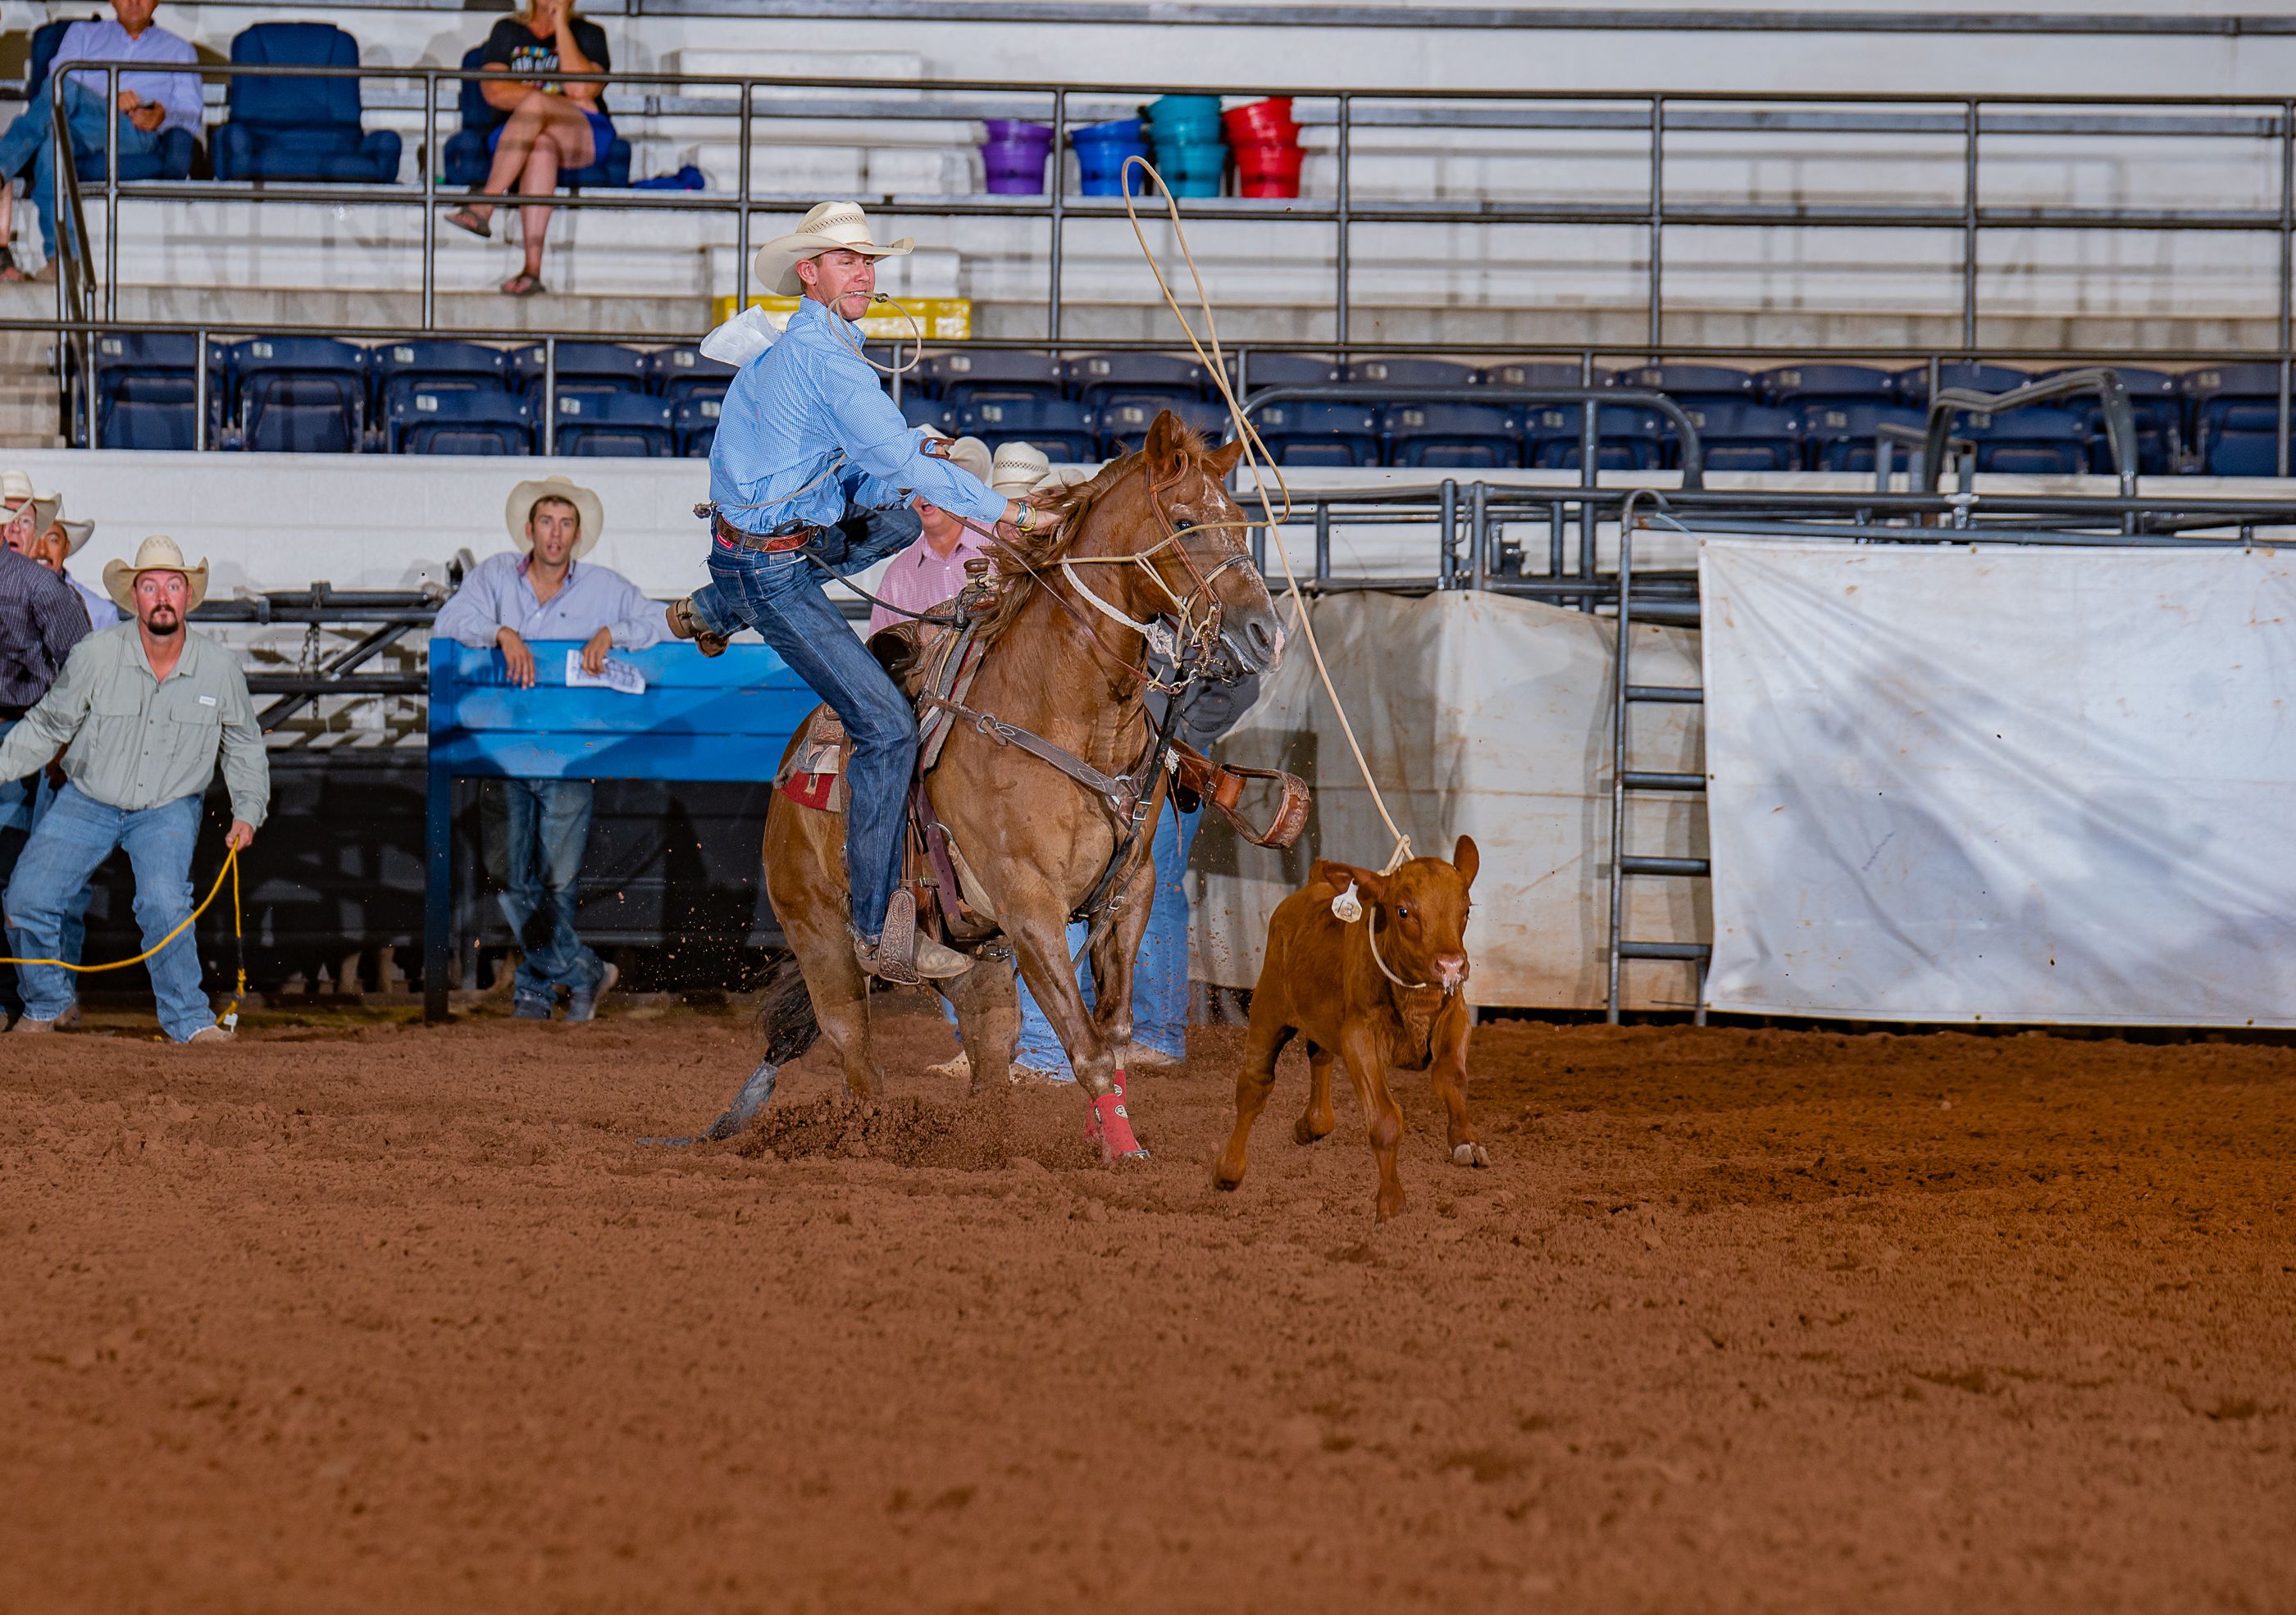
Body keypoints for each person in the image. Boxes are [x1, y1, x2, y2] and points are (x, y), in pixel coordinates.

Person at [663, 200, 1059, 985]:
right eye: (848, 261)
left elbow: (863, 463)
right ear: (810, 273)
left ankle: (714, 608)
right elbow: (892, 465)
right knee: (884, 728)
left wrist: (914, 450)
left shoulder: (805, 351)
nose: (865, 275)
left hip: (759, 546)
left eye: (868, 262)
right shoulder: (829, 360)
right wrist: (1008, 508)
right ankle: (879, 924)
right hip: (772, 564)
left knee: (903, 521)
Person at [0, 535, 264, 1043]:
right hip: (87, 797)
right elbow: (50, 725)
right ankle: (46, 1002)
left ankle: (189, 1021)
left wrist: (248, 809)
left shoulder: (219, 668)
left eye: (172, 585)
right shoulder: (96, 655)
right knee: (27, 896)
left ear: (187, 596)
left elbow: (245, 746)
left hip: (167, 806)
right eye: (149, 586)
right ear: (134, 597)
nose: (162, 596)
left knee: (164, 902)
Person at [430, 475, 662, 1022]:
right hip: (505, 750)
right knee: (512, 876)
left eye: (565, 523)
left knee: (557, 881)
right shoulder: (492, 578)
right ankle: (583, 972)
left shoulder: (605, 588)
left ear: (576, 533)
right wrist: (500, 633)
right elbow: (449, 621)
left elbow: (658, 624)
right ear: (530, 529)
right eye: (546, 522)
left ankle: (535, 991)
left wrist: (613, 632)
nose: (554, 534)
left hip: (568, 751)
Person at [0, 0, 200, 280]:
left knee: (66, 86)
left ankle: (1, 166)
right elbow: (53, 93)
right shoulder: (82, 34)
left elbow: (191, 115)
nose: (133, 3)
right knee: (54, 142)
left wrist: (161, 118)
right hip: (77, 128)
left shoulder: (180, 51)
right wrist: (109, 100)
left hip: (134, 134)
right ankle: (63, 261)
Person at [441, 0, 615, 298]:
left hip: (580, 132)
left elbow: (583, 89)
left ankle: (485, 204)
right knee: (540, 146)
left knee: (534, 105)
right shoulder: (508, 30)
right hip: (517, 135)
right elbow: (495, 91)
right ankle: (532, 270)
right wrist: (567, 101)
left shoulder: (588, 34)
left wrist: (561, 24)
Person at [0, 519, 91, 1025]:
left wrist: (69, 739)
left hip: (46, 735)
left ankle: (51, 995)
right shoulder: (42, 591)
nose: (33, 545)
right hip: (22, 731)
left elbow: (83, 672)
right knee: (20, 875)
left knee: (54, 878)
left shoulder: (57, 597)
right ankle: (28, 997)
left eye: (49, 537)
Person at [864, 435, 995, 637]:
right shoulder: (897, 577)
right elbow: (882, 652)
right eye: (912, 487)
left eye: (931, 482)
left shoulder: (997, 543)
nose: (924, 495)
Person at [11, 512, 119, 630]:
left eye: (52, 540)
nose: (42, 550)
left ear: (66, 548)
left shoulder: (100, 613)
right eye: (35, 538)